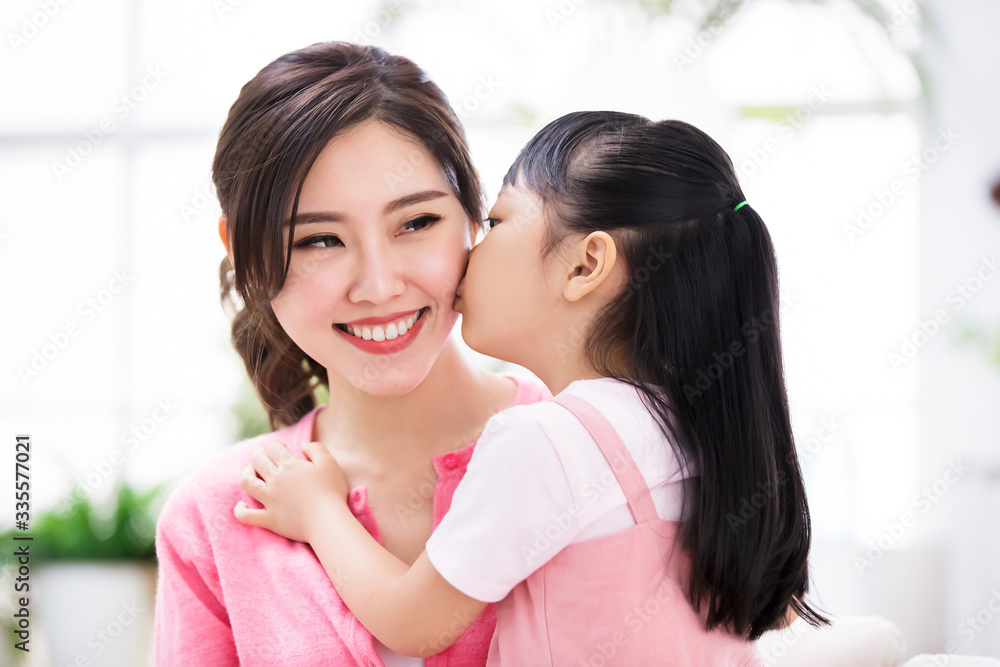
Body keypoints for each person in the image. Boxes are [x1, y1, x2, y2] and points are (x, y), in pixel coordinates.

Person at [234, 111, 828, 664]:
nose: (473, 250)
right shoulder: (694, 423)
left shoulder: (542, 441)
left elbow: (412, 622)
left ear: (585, 266)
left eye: (497, 221)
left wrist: (318, 510)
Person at [153, 42, 551, 667]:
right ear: (242, 253)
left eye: (416, 223)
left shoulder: (584, 450)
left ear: (474, 215)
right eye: (318, 240)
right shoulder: (219, 515)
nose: (378, 286)